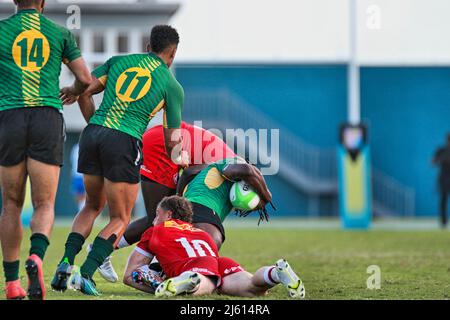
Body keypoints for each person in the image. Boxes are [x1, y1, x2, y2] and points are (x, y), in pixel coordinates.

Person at [51, 25, 185, 296]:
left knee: (90, 206)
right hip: (124, 141)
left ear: (148, 47)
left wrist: (98, 129)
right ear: (171, 54)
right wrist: (179, 160)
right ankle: (85, 274)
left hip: (93, 134)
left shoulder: (119, 61)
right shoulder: (171, 84)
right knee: (121, 217)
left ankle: (65, 264)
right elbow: (172, 137)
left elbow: (84, 90)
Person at [0, 0, 91, 300]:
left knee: (12, 204)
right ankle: (36, 258)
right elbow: (85, 79)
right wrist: (73, 92)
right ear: (43, 2)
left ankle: (12, 284)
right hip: (46, 118)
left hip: (9, 118)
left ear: (14, 1)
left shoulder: (2, 30)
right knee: (44, 203)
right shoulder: (60, 33)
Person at [94, 122, 237, 282]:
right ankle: (101, 249)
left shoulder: (229, 161)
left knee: (170, 220)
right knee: (158, 218)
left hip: (166, 139)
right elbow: (190, 171)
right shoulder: (227, 164)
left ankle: (153, 267)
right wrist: (179, 198)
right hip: (162, 144)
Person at [122, 195, 305, 299]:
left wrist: (158, 286)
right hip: (217, 263)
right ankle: (276, 272)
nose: (154, 219)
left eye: (157, 214)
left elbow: (130, 275)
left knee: (203, 285)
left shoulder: (155, 230)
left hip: (193, 268)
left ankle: (189, 280)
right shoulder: (200, 232)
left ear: (168, 215)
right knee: (253, 288)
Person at [178, 157, 273, 249]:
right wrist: (267, 196)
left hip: (180, 211)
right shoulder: (236, 161)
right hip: (203, 209)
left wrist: (178, 199)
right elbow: (247, 170)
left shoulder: (212, 167)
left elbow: (188, 172)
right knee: (206, 256)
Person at [433, 134, 450, 227]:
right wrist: (442, 159)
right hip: (443, 178)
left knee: (443, 200)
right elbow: (433, 162)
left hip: (444, 178)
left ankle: (443, 221)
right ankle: (443, 221)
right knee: (443, 199)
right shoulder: (441, 150)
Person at [70, 143, 86, 211]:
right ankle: (82, 210)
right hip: (79, 175)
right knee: (80, 195)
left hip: (81, 175)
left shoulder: (75, 147)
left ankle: (83, 211)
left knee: (84, 195)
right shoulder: (76, 147)